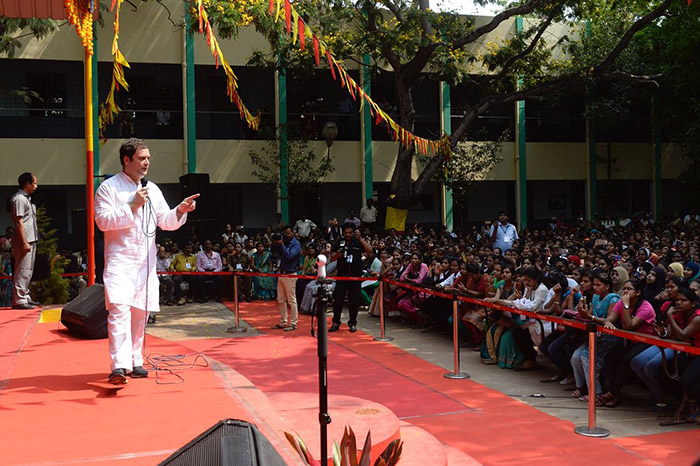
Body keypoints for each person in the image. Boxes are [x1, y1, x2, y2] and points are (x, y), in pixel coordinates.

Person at [95, 138, 197, 384]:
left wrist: (180, 210)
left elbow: (166, 222)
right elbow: (102, 222)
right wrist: (131, 205)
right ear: (126, 160)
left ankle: (135, 360)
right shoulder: (108, 188)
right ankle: (119, 366)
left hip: (145, 262)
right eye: (142, 158)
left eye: (148, 158)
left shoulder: (152, 189)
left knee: (140, 312)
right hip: (121, 259)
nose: (147, 162)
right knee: (119, 310)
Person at [329, 222, 372, 333]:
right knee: (338, 300)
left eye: (350, 233)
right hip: (342, 276)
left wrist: (361, 239)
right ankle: (335, 322)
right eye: (346, 233)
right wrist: (338, 255)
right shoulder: (339, 242)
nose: (348, 235)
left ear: (354, 232)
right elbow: (332, 258)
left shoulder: (358, 242)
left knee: (354, 301)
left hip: (355, 277)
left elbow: (370, 252)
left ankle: (352, 322)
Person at [10, 172, 39, 309]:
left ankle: (25, 295)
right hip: (24, 239)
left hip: (31, 238)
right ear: (27, 184)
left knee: (28, 269)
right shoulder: (19, 199)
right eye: (34, 183)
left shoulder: (27, 199)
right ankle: (19, 299)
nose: (36, 186)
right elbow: (18, 222)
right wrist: (24, 242)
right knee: (22, 269)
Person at [271, 227, 301, 331]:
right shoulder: (284, 242)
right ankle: (283, 322)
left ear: (293, 233)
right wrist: (277, 243)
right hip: (281, 273)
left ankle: (293, 323)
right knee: (280, 299)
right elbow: (274, 252)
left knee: (291, 300)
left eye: (288, 233)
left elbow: (289, 256)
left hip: (290, 274)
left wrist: (281, 244)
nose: (286, 235)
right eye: (285, 233)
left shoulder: (296, 245)